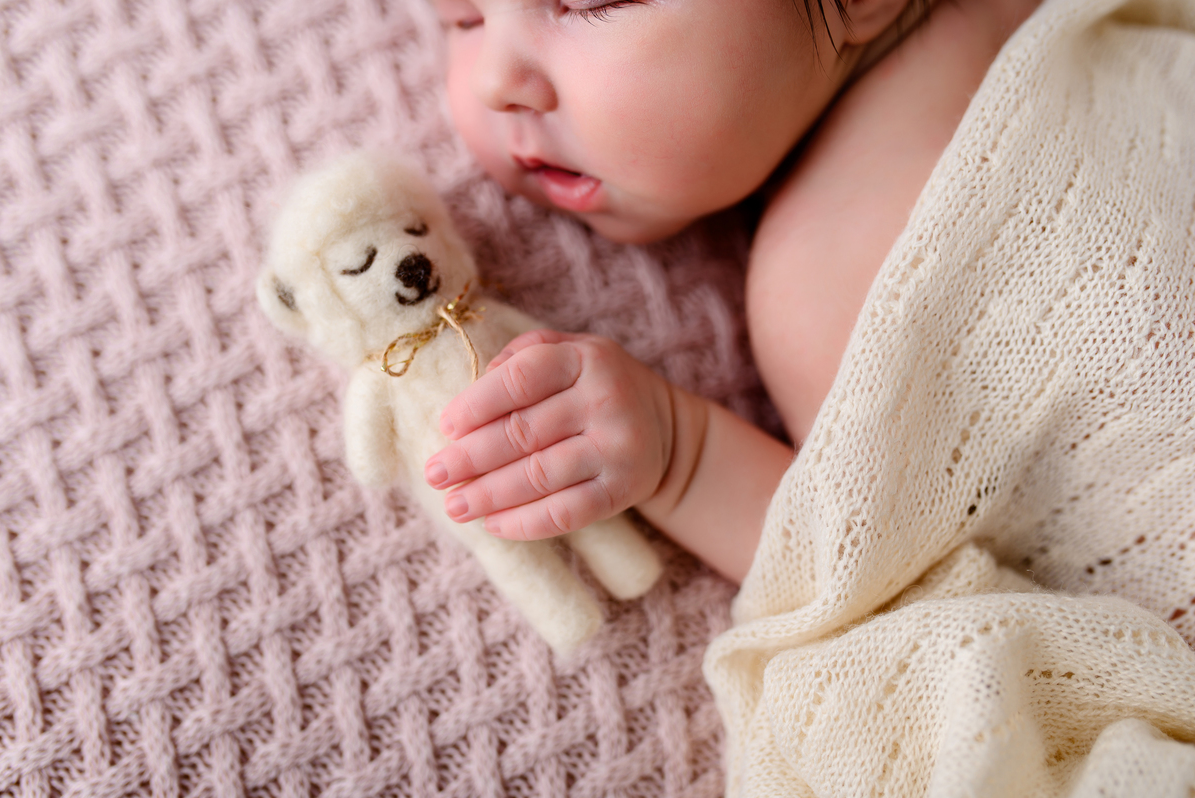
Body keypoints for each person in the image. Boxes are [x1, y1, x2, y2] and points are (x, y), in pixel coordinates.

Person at [422, 0, 1044, 583]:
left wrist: (683, 459)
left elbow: (900, 590)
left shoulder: (840, 275)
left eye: (591, 1)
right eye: (463, 15)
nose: (494, 83)